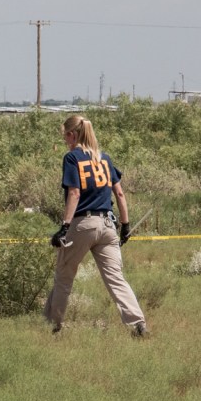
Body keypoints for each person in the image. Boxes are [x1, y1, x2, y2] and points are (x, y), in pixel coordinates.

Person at [44, 114, 147, 337]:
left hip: (83, 224)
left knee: (64, 275)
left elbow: (74, 192)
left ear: (72, 135)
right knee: (116, 278)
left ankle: (52, 327)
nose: (65, 141)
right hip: (108, 225)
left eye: (65, 137)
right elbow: (119, 193)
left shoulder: (72, 158)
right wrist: (126, 225)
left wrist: (64, 227)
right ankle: (138, 323)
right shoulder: (105, 159)